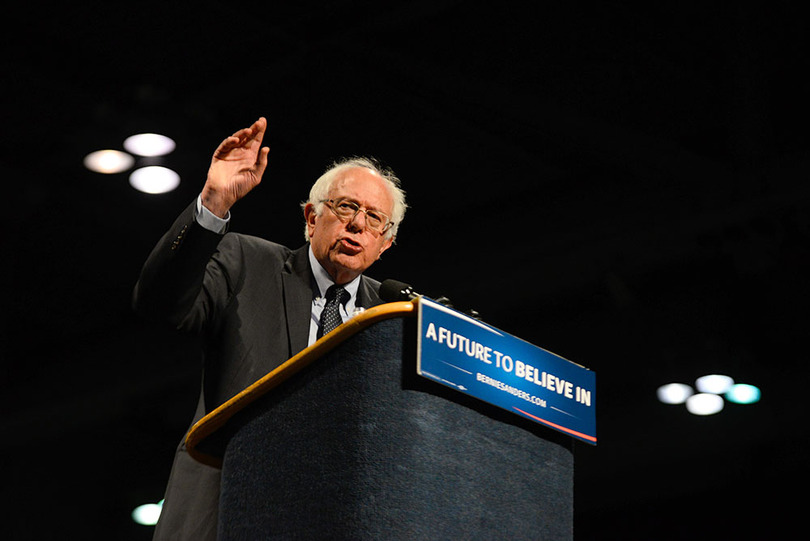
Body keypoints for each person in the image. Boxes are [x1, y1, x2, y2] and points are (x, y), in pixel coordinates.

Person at [132, 117, 407, 540]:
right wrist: (214, 202)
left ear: (385, 244)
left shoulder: (391, 316)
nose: (357, 225)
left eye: (375, 219)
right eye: (347, 207)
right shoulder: (247, 262)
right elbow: (162, 306)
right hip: (226, 507)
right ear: (311, 218)